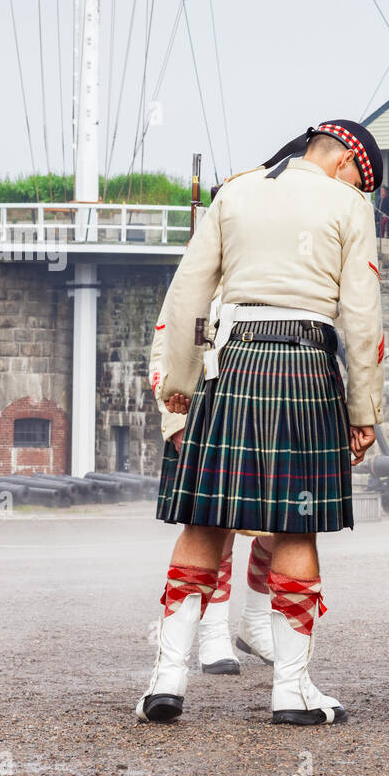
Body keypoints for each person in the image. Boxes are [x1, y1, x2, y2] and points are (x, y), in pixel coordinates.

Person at [141, 120, 385, 726]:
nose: (362, 188)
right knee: (296, 529)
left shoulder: (237, 191)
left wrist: (177, 381)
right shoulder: (348, 206)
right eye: (364, 179)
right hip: (305, 363)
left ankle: (165, 680)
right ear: (347, 163)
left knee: (205, 518)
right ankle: (291, 691)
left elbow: (186, 295)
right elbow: (362, 317)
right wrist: (364, 409)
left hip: (232, 361)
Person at [149, 279, 275, 673]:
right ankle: (213, 633)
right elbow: (165, 344)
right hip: (206, 405)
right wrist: (175, 419)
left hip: (267, 398)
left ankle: (255, 621)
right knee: (213, 529)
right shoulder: (205, 264)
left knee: (281, 527)